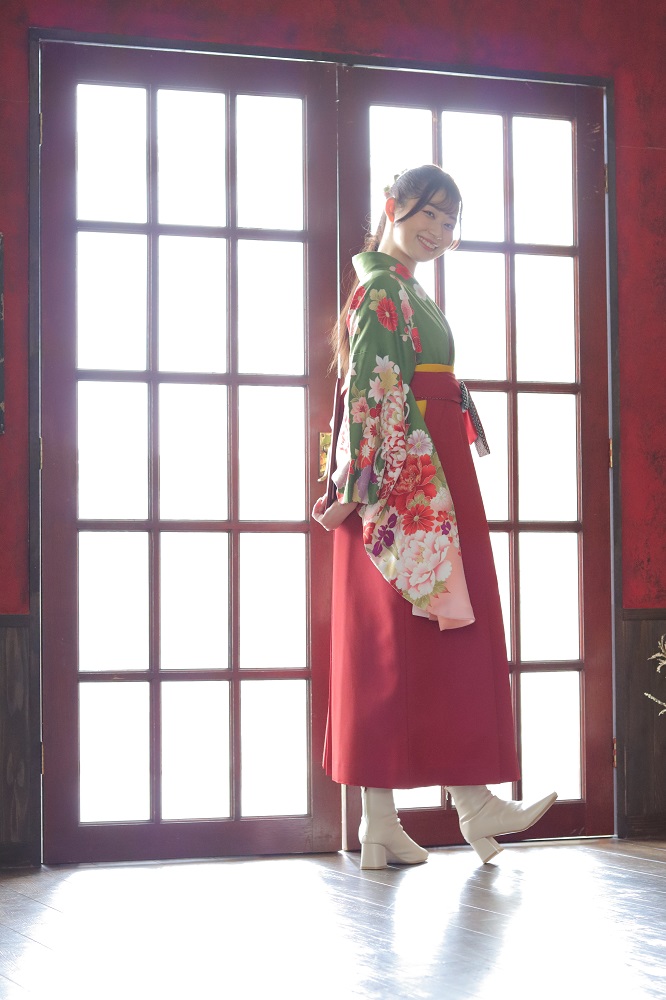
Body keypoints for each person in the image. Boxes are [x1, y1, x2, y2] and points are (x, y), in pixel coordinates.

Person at [312, 164, 557, 869]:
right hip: (409, 484)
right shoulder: (383, 290)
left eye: (450, 222)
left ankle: (386, 822)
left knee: (400, 644)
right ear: (393, 207)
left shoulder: (401, 291)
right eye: (428, 214)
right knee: (414, 641)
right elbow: (372, 388)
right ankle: (462, 806)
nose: (439, 231)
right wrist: (360, 487)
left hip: (418, 472)